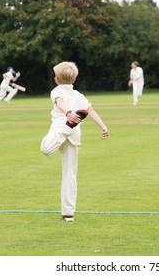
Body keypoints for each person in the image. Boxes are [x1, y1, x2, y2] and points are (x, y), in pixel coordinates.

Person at [40, 61, 109, 222]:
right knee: (70, 174)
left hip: (61, 127)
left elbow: (60, 102)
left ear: (56, 79)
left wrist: (68, 113)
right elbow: (91, 112)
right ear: (74, 80)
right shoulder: (79, 96)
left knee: (45, 149)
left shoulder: (56, 91)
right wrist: (103, 126)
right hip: (74, 133)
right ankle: (68, 214)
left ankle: (66, 128)